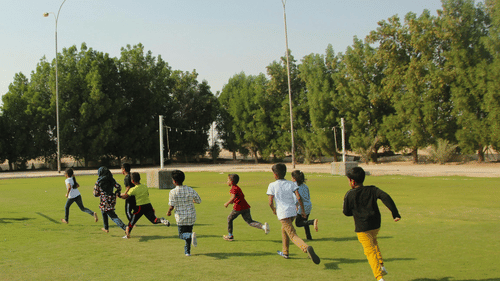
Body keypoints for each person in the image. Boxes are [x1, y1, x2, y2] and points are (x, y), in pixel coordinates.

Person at [343, 167, 401, 281]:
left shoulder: (349, 194)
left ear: (352, 181)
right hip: (375, 224)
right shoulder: (372, 189)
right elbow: (385, 197)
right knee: (374, 242)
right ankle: (382, 266)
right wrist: (395, 213)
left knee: (369, 251)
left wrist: (355, 212)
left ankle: (379, 277)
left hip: (362, 227)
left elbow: (346, 212)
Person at [267, 163, 320, 264]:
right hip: (293, 212)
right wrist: (303, 211)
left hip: (283, 213)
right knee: (284, 229)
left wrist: (274, 210)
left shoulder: (272, 185)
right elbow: (299, 198)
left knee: (292, 234)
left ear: (275, 175)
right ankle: (285, 252)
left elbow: (270, 202)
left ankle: (306, 248)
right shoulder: (291, 184)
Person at [118, 172, 170, 239]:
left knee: (132, 221)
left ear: (132, 181)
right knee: (154, 220)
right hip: (148, 205)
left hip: (140, 207)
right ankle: (162, 220)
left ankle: (127, 235)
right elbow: (147, 195)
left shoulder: (133, 189)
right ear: (140, 179)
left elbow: (125, 196)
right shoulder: (145, 186)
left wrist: (118, 195)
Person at [223, 174, 269, 241]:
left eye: (228, 180)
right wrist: (233, 201)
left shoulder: (234, 188)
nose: (227, 181)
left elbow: (233, 197)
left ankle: (230, 235)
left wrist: (227, 203)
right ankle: (263, 226)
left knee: (229, 218)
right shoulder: (237, 188)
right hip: (245, 207)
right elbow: (240, 196)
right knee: (249, 221)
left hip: (239, 207)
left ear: (232, 181)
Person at [167, 170, 201, 256]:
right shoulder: (190, 189)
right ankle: (187, 252)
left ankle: (190, 237)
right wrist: (191, 200)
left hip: (181, 217)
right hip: (191, 216)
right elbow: (198, 200)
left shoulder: (172, 192)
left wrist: (169, 211)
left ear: (174, 181)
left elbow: (172, 205)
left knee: (182, 235)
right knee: (189, 233)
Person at [93, 166, 127, 235]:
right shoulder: (111, 179)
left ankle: (125, 228)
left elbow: (95, 193)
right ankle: (106, 228)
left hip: (104, 199)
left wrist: (99, 193)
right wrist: (117, 192)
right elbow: (119, 187)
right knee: (103, 211)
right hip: (111, 199)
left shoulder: (99, 181)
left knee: (112, 216)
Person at [291, 170, 318, 240]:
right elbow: (308, 196)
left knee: (298, 223)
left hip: (302, 206)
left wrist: (300, 209)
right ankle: (309, 237)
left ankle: (312, 222)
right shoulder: (305, 186)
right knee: (305, 222)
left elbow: (298, 199)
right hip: (308, 205)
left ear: (294, 178)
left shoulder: (295, 187)